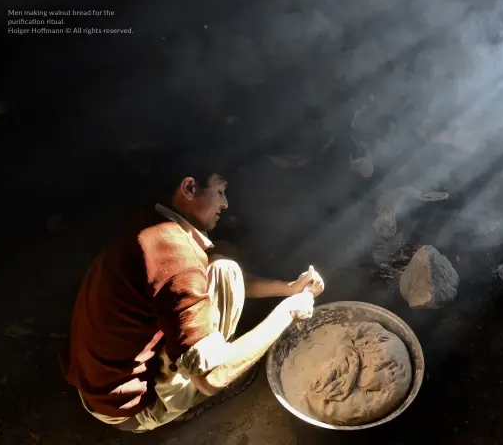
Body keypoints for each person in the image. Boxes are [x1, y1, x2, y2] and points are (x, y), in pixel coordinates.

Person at [60, 165, 325, 433]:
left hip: (97, 385)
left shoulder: (153, 227)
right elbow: (213, 378)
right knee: (214, 369)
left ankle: (190, 368)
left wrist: (289, 288)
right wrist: (289, 312)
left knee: (223, 269)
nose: (225, 203)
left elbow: (201, 280)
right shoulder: (176, 256)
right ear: (189, 188)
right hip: (129, 407)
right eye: (220, 191)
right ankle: (182, 406)